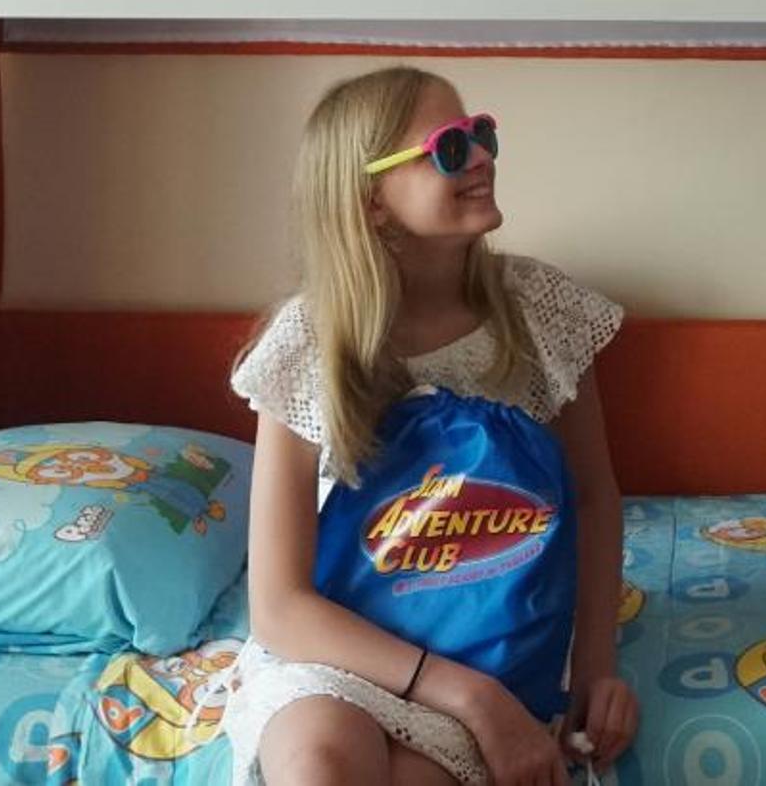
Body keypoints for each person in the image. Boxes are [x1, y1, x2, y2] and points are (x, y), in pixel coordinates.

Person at [227, 67, 636, 785]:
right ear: (372, 202)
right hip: (342, 649)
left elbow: (594, 498)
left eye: (481, 134)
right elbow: (280, 607)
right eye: (449, 147)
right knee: (320, 759)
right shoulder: (309, 343)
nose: (480, 157)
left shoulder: (540, 313)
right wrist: (471, 698)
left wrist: (596, 667)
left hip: (489, 637)